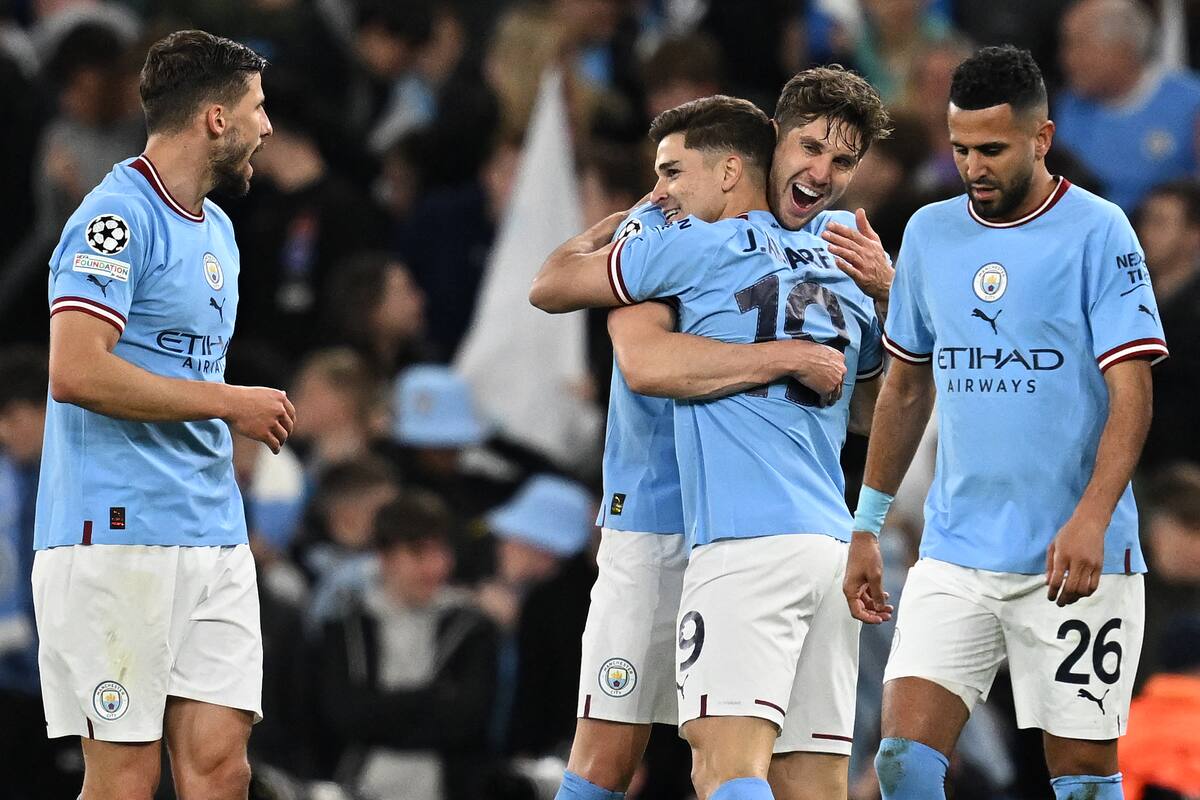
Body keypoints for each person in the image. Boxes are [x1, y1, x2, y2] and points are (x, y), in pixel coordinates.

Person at [531, 72, 892, 800]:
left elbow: (613, 336)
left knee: (725, 763)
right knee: (644, 754)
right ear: (770, 144)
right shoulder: (706, 230)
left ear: (732, 166)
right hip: (699, 520)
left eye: (841, 161)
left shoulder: (820, 252)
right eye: (810, 147)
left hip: (736, 532)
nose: (659, 192)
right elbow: (644, 360)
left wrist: (892, 293)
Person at [844, 46, 1168, 800]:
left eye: (992, 149)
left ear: (1042, 137)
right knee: (901, 759)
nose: (973, 166)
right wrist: (868, 521)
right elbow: (904, 389)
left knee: (1083, 774)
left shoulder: (1100, 232)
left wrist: (1092, 517)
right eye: (960, 149)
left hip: (1075, 555)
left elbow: (1132, 392)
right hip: (957, 550)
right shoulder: (928, 232)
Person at [31, 30, 295, 800]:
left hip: (210, 529)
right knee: (126, 779)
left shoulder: (217, 231)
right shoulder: (113, 218)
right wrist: (227, 402)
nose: (268, 126)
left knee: (220, 767)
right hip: (112, 534)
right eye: (258, 107)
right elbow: (76, 370)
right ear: (216, 118)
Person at [1055, 0, 1200, 212]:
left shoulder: (1192, 104)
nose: (1066, 58)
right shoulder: (1069, 108)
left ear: (1120, 48)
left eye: (1078, 44)